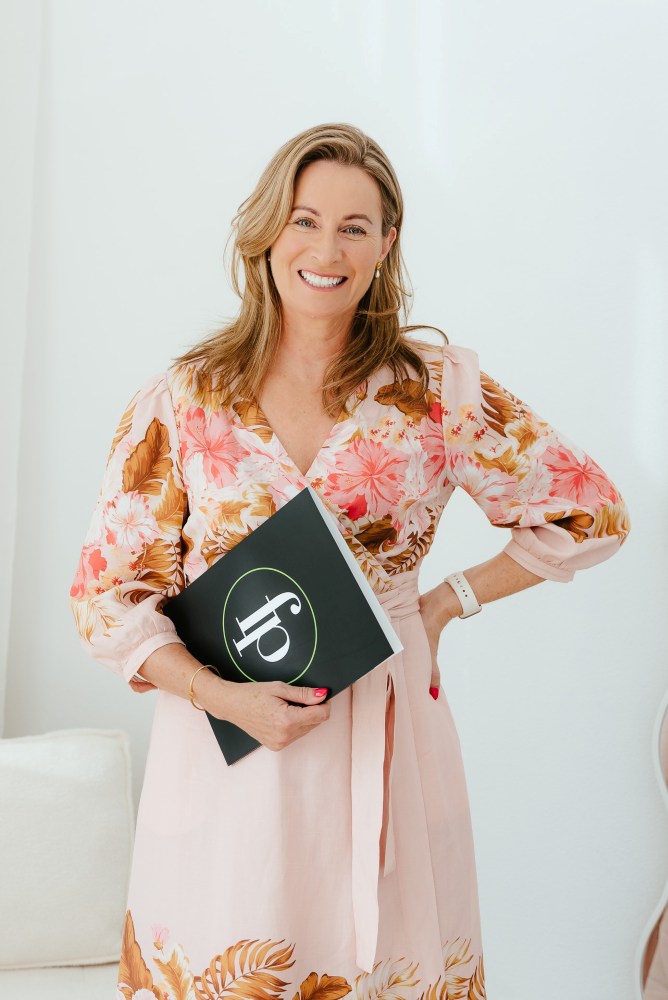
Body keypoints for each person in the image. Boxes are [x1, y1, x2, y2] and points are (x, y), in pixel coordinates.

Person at [70, 122, 630, 1000]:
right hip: (222, 741)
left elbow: (590, 512)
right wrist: (221, 696)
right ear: (266, 232)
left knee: (385, 961)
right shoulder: (187, 396)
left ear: (386, 245)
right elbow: (108, 597)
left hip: (384, 726)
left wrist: (446, 602)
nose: (325, 249)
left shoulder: (437, 392)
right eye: (303, 220)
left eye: (354, 227)